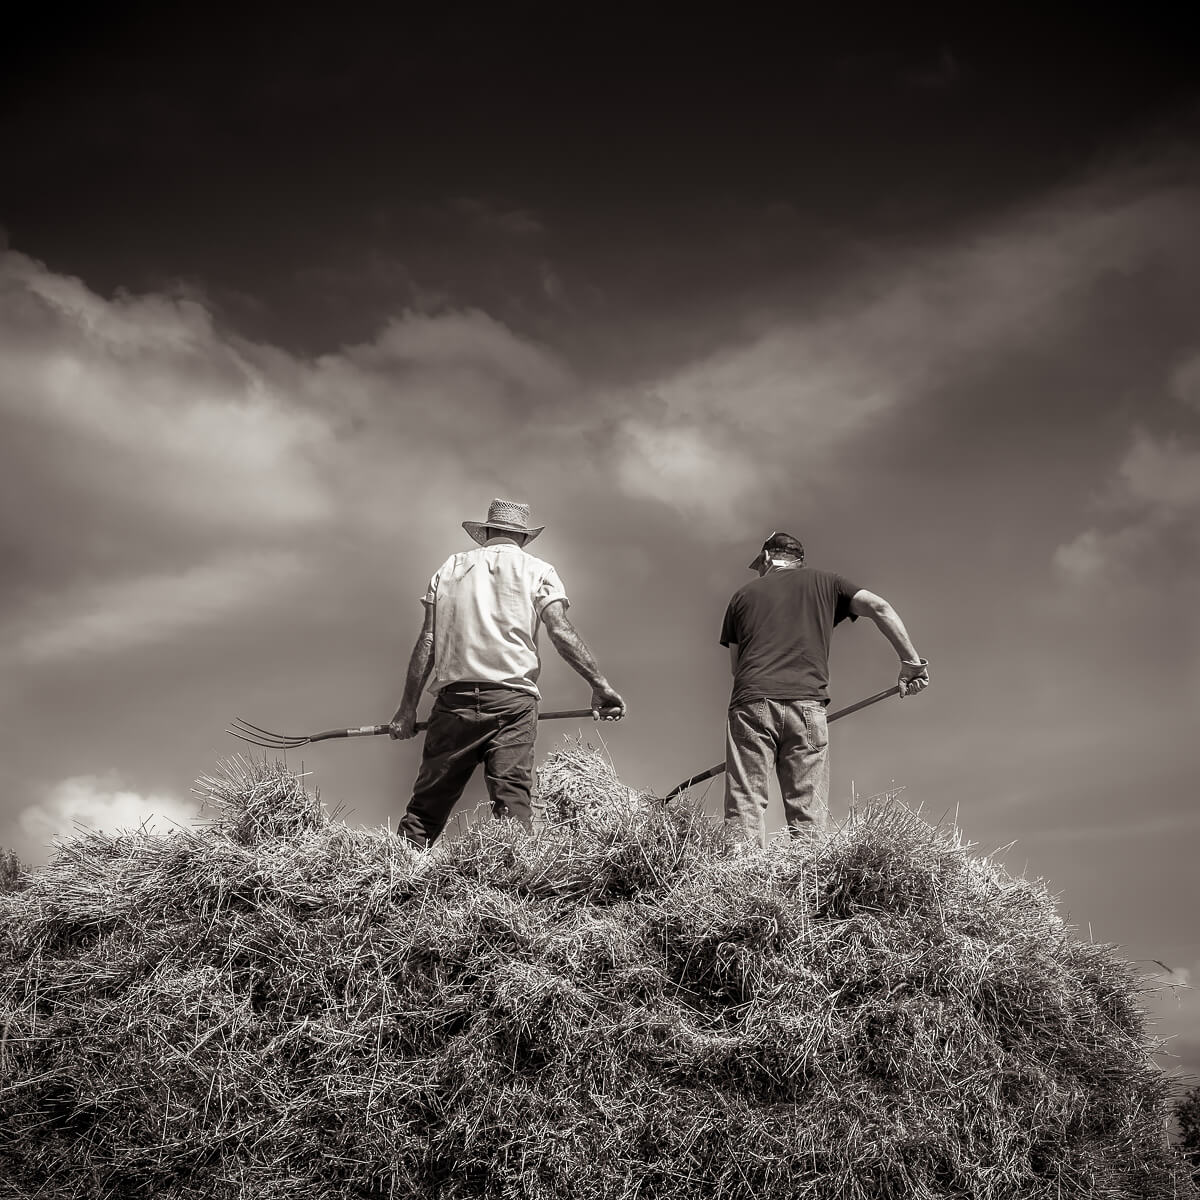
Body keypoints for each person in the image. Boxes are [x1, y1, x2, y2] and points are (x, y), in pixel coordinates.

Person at [389, 499, 626, 847]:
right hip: (512, 702)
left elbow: (428, 640)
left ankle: (395, 878)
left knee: (427, 807)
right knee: (512, 802)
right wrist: (599, 684)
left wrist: (407, 709)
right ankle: (514, 887)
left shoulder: (450, 569)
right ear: (524, 538)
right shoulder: (538, 571)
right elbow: (559, 630)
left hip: (454, 702)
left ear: (485, 533)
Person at [719, 531, 929, 850]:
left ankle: (739, 888)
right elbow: (880, 607)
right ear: (799, 561)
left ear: (765, 559)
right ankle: (811, 892)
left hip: (753, 704)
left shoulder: (741, 597)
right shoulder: (829, 583)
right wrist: (910, 662)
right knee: (808, 812)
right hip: (807, 706)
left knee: (744, 804)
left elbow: (736, 666)